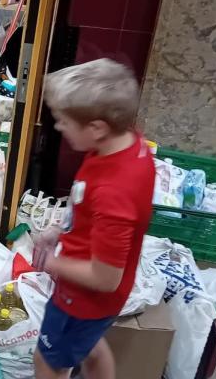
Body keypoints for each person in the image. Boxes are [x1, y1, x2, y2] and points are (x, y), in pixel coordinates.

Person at [31, 59, 155, 379]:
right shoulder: (124, 145)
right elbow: (89, 210)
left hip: (82, 301)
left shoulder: (116, 191)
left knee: (48, 361)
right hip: (95, 304)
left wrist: (49, 263)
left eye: (63, 121)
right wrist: (60, 231)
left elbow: (105, 278)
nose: (58, 127)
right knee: (90, 347)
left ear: (97, 127)